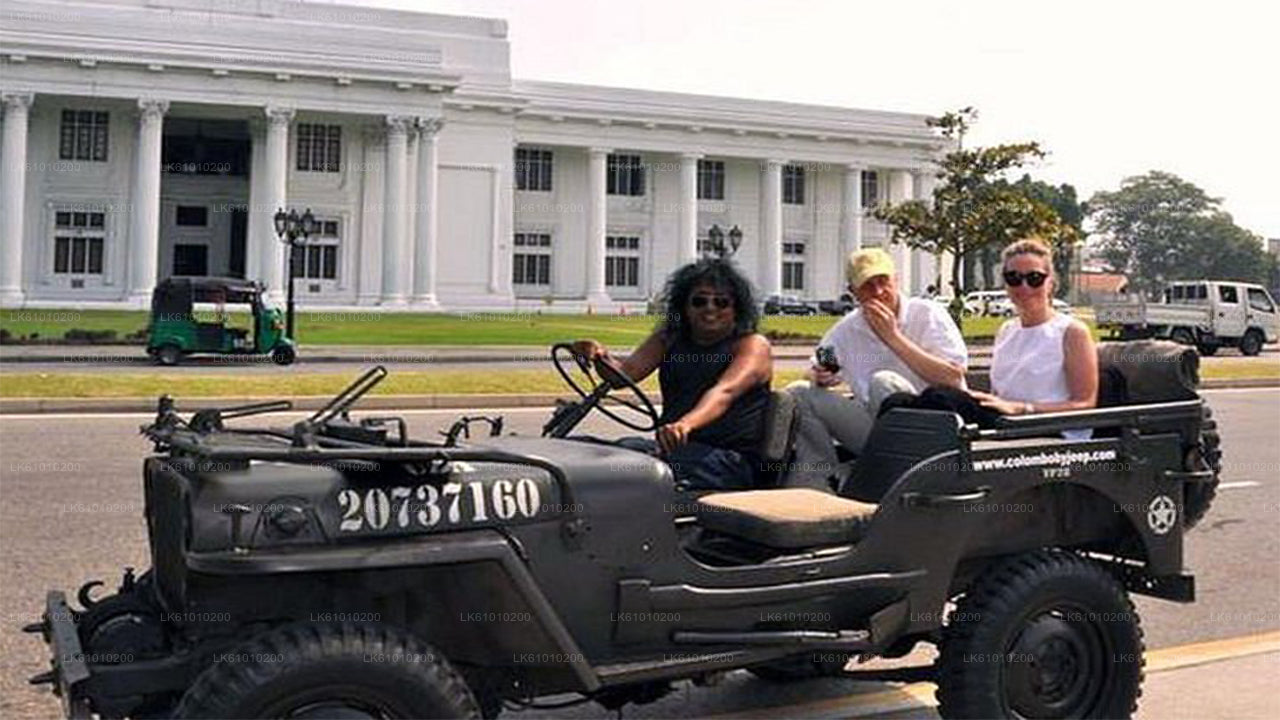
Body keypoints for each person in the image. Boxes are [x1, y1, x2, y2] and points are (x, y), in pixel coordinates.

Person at [571, 258, 772, 490]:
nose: (710, 308)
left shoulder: (752, 345)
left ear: (736, 309)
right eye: (699, 301)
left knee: (627, 469)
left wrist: (685, 424)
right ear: (684, 307)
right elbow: (623, 375)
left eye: (721, 302)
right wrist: (598, 355)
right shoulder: (669, 340)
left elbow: (724, 392)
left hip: (729, 461)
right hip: (675, 450)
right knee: (583, 451)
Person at [788, 247, 968, 461]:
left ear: (896, 280)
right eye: (868, 286)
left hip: (933, 428)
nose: (879, 292)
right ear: (853, 292)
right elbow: (820, 363)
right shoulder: (846, 329)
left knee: (883, 382)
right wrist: (820, 375)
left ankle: (899, 466)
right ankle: (821, 472)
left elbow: (952, 377)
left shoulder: (928, 314)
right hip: (874, 429)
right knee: (798, 392)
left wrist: (893, 337)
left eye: (884, 281)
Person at [970, 237, 1097, 438]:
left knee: (945, 400)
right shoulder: (1006, 330)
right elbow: (1000, 396)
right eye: (1013, 278)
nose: (1024, 287)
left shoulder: (1072, 332)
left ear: (1050, 283)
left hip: (1052, 433)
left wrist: (1023, 410)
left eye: (1034, 278)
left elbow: (1084, 404)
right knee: (940, 401)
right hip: (1006, 426)